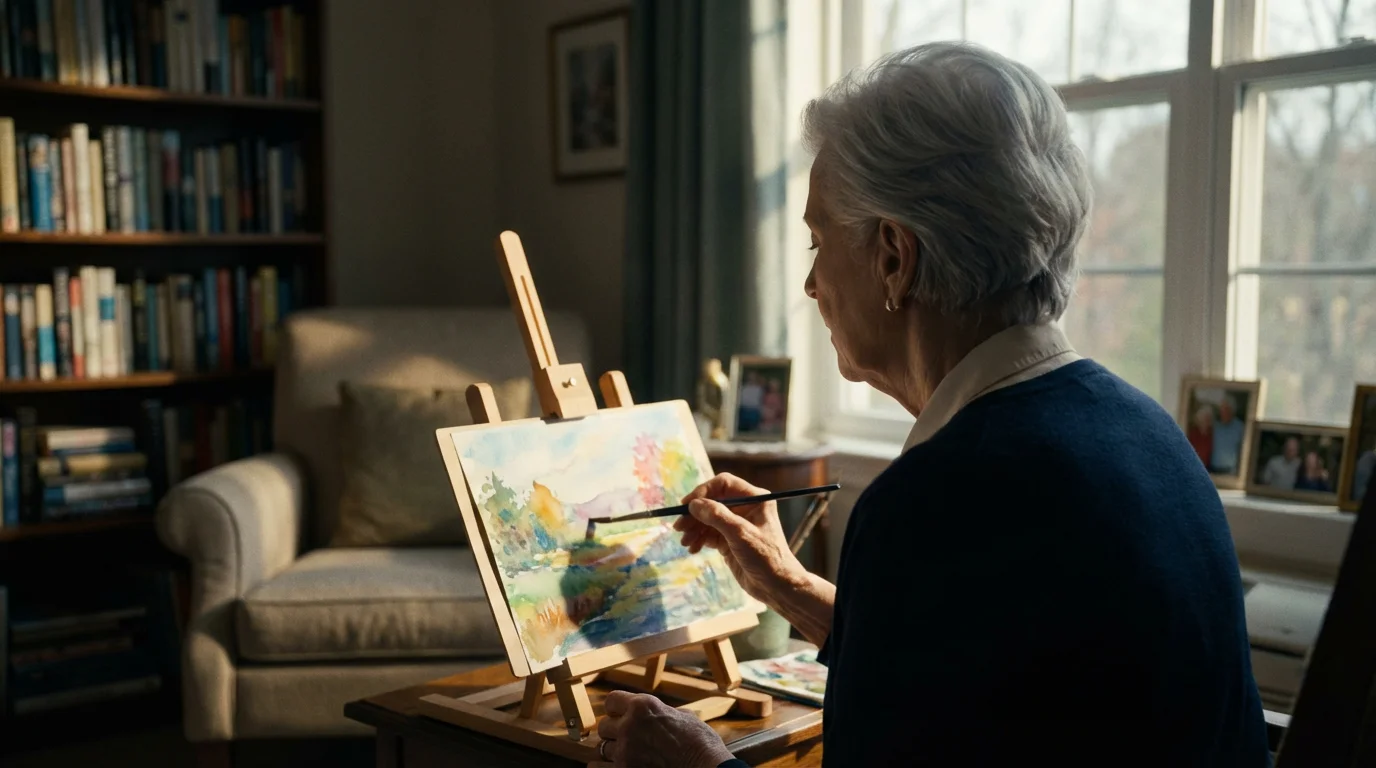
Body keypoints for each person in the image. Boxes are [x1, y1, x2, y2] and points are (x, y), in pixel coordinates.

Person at [592, 42, 1267, 768]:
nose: (813, 284)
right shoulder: (1149, 434)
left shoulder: (937, 501)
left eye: (819, 241)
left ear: (893, 257)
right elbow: (984, 673)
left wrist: (699, 762)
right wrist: (788, 587)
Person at [1210, 395, 1246, 475]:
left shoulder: (1240, 427)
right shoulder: (1215, 426)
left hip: (1231, 471)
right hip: (1213, 469)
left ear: (1232, 411)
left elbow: (1244, 450)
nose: (1224, 412)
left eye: (1226, 409)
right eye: (1222, 409)